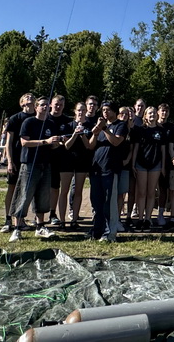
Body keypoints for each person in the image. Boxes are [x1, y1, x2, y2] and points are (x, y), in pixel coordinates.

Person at [8, 97, 64, 242]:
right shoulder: (29, 122)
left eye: (47, 105)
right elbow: (24, 142)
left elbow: (52, 145)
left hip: (46, 164)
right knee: (24, 195)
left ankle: (40, 226)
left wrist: (56, 143)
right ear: (36, 107)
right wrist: (45, 141)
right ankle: (17, 228)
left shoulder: (51, 124)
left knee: (43, 195)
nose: (45, 107)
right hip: (29, 164)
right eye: (42, 105)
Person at [87, 101, 127, 241]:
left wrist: (104, 129)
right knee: (96, 202)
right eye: (103, 110)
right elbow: (91, 146)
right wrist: (95, 133)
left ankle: (109, 233)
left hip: (110, 168)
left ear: (114, 111)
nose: (105, 112)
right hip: (96, 169)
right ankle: (97, 231)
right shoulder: (100, 126)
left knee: (109, 203)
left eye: (108, 110)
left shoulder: (120, 125)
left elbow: (116, 142)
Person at [0, 93, 36, 233]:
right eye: (26, 97)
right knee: (12, 188)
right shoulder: (15, 118)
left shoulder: (38, 117)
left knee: (27, 190)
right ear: (21, 103)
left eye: (32, 96)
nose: (30, 98)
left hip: (31, 159)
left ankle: (21, 219)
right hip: (16, 158)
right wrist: (9, 161)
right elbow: (9, 142)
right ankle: (8, 219)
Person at [132, 106, 166, 231]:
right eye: (150, 113)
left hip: (155, 165)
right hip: (141, 164)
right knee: (141, 193)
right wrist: (133, 163)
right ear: (145, 116)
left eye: (154, 113)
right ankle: (140, 219)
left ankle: (148, 219)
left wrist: (162, 166)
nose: (152, 115)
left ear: (157, 115)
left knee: (151, 193)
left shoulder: (160, 131)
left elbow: (163, 150)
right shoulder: (140, 130)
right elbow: (136, 148)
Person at [65, 102, 94, 230]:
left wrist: (82, 135)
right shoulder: (69, 125)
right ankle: (62, 219)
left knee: (78, 190)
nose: (81, 112)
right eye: (78, 110)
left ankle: (75, 219)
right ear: (75, 111)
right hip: (69, 161)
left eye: (83, 110)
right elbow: (67, 146)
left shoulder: (90, 126)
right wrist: (74, 134)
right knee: (65, 190)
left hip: (83, 161)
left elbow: (89, 146)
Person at [47, 94, 71, 227]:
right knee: (41, 186)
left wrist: (60, 142)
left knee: (55, 186)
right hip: (45, 157)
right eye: (56, 104)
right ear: (51, 104)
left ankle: (52, 213)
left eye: (61, 105)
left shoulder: (67, 121)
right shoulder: (45, 118)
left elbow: (68, 139)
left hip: (61, 158)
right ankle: (38, 213)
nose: (58, 107)